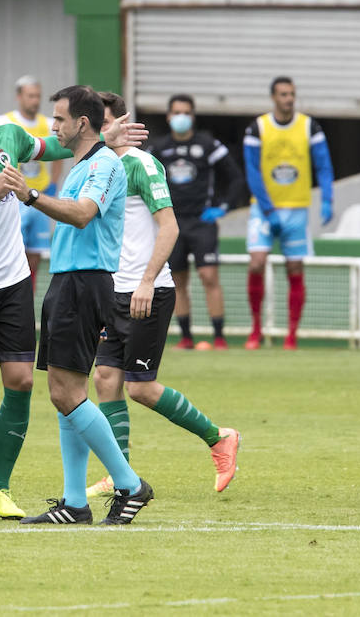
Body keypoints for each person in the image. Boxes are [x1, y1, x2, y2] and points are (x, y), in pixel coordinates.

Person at [0, 72, 142, 522]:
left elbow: (57, 145)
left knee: (24, 382)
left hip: (14, 283)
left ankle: (0, 489)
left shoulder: (9, 136)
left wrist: (105, 134)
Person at [85, 92, 241, 499]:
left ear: (122, 121)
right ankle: (119, 474)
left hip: (145, 291)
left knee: (140, 387)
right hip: (113, 291)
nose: (96, 129)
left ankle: (218, 437)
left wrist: (147, 281)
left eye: (101, 121)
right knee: (105, 379)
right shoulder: (98, 166)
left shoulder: (141, 163)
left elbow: (168, 228)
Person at [13, 86, 154, 526]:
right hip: (66, 280)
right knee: (64, 391)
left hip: (86, 284)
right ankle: (75, 501)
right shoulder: (84, 162)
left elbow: (83, 213)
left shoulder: (107, 164)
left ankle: (130, 484)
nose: (53, 127)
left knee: (66, 392)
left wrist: (31, 195)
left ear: (82, 123)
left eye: (59, 119)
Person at [243, 76, 335, 350]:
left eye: (292, 94)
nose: (288, 99)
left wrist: (327, 199)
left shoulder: (309, 126)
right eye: (283, 94)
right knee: (257, 262)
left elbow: (324, 165)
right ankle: (256, 330)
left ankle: (291, 335)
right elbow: (252, 169)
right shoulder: (257, 128)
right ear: (273, 97)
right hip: (264, 209)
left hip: (297, 208)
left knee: (295, 267)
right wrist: (267, 206)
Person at [149, 94, 243, 350]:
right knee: (178, 281)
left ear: (193, 116)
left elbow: (235, 178)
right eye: (176, 112)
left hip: (203, 222)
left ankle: (220, 336)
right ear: (169, 116)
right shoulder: (158, 149)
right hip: (172, 224)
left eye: (186, 112)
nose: (181, 117)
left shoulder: (209, 145)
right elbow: (145, 181)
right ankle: (187, 337)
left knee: (208, 275)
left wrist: (222, 208)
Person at [0, 75, 62, 293]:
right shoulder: (5, 122)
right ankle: (13, 293)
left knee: (35, 254)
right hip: (16, 198)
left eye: (38, 96)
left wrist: (52, 184)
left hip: (39, 196)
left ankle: (28, 296)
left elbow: (59, 153)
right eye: (31, 96)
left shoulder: (48, 124)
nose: (35, 100)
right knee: (14, 249)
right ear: (19, 96)